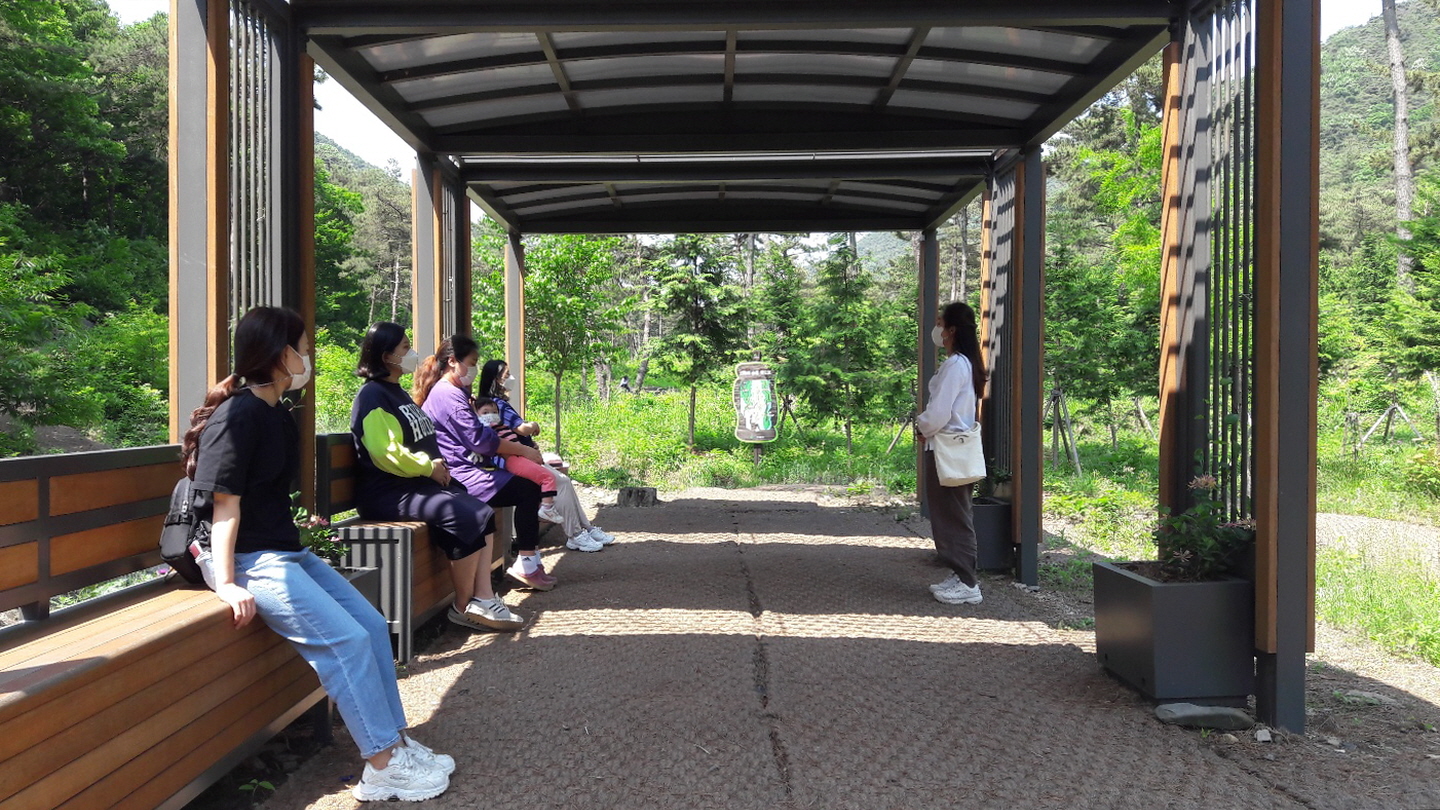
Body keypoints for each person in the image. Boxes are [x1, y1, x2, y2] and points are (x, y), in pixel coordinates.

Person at [184, 307, 452, 802]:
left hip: (283, 553)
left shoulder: (276, 414)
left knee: (371, 626)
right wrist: (225, 582)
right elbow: (223, 508)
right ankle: (381, 764)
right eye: (304, 348)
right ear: (280, 354)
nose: (309, 356)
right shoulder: (237, 416)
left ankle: (396, 743)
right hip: (248, 560)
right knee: (346, 641)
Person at [349, 321, 534, 620]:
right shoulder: (372, 396)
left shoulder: (397, 393)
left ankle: (483, 597)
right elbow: (385, 451)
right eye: (405, 348)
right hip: (389, 491)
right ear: (386, 356)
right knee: (467, 513)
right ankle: (463, 606)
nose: (413, 353)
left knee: (480, 511)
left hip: (419, 485)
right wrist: (429, 467)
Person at [412, 337, 561, 587]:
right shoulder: (448, 394)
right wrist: (522, 452)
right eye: (472, 363)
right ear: (452, 361)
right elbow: (480, 440)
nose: (475, 369)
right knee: (528, 489)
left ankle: (530, 561)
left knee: (528, 486)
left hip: (468, 468)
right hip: (460, 474)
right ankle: (527, 563)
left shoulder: (452, 391)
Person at [476, 357, 616, 549]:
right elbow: (520, 429)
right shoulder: (495, 405)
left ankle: (585, 528)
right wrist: (534, 426)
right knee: (562, 483)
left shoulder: (493, 403)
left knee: (563, 482)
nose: (511, 379)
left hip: (525, 456)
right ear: (495, 379)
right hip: (519, 460)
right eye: (506, 376)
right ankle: (575, 534)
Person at [916, 301, 987, 606]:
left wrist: (922, 426)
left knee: (953, 516)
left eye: (941, 323)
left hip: (946, 448)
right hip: (953, 447)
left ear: (952, 330)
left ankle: (968, 583)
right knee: (954, 513)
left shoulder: (956, 364)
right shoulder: (964, 363)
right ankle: (960, 575)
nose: (938, 330)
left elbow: (939, 412)